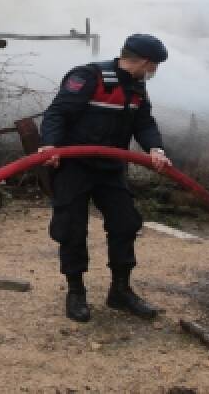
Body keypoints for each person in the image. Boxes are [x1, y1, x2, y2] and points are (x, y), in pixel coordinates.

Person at [38, 33, 174, 323]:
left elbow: (144, 122)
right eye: (154, 67)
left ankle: (120, 291)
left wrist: (155, 148)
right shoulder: (89, 77)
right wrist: (50, 145)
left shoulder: (137, 89)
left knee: (125, 223)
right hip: (74, 167)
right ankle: (76, 292)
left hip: (111, 168)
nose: (153, 73)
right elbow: (57, 113)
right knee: (72, 228)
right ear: (146, 62)